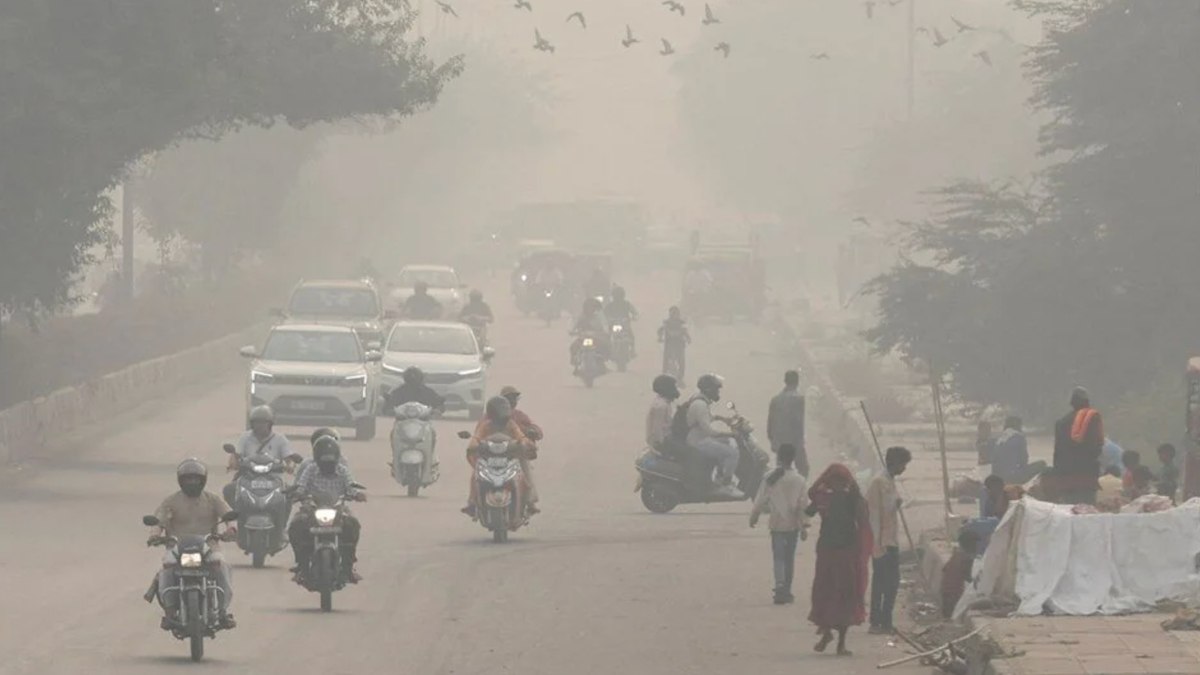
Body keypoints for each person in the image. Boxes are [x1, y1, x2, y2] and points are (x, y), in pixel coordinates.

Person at [149, 459, 236, 628]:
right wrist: (155, 536)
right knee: (166, 567)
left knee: (222, 566)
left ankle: (223, 611)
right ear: (181, 480)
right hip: (176, 547)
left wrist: (231, 530)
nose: (192, 483)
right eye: (188, 479)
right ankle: (169, 610)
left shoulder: (213, 499)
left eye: (195, 479)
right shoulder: (171, 501)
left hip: (208, 546)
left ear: (203, 480)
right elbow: (158, 522)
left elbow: (228, 515)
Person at [805, 463, 872, 656]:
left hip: (841, 553)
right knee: (834, 593)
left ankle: (837, 640)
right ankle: (831, 636)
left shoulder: (831, 499)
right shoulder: (853, 499)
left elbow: (811, 500)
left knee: (837, 594)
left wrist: (820, 484)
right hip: (837, 552)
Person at [288, 436, 363, 583]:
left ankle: (348, 566)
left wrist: (357, 494)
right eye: (324, 461)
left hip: (338, 509)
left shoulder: (342, 470)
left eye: (330, 461)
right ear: (317, 459)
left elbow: (350, 485)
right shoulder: (310, 469)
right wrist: (297, 493)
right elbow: (302, 485)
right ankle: (301, 565)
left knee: (353, 524)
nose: (327, 465)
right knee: (296, 525)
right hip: (312, 508)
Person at [750, 444, 810, 605]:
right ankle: (787, 590)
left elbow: (760, 499)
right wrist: (804, 526)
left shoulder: (771, 477)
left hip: (776, 524)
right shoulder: (799, 479)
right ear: (793, 459)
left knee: (778, 557)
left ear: (779, 457)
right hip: (793, 525)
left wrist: (754, 516)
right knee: (789, 557)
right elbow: (803, 505)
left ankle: (779, 586)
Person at [866, 445, 912, 634]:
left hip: (891, 540)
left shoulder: (889, 481)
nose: (904, 469)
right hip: (883, 542)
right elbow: (874, 515)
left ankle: (884, 620)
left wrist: (897, 504)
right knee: (885, 583)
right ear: (894, 462)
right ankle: (879, 622)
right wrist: (876, 544)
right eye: (903, 464)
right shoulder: (878, 482)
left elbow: (890, 507)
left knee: (889, 583)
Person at [463, 396, 533, 516]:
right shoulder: (486, 425)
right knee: (476, 477)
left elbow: (520, 436)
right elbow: (476, 437)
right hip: (488, 458)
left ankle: (526, 503)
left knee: (524, 481)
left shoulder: (511, 424)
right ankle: (472, 502)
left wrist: (525, 442)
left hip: (508, 458)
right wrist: (473, 445)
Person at [682, 374, 743, 498]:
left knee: (725, 442)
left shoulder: (700, 400)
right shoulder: (700, 404)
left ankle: (719, 477)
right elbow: (709, 431)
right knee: (732, 453)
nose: (718, 392)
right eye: (716, 389)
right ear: (708, 390)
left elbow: (706, 418)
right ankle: (726, 484)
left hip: (699, 438)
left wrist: (723, 419)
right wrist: (731, 434)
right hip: (698, 442)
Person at [224, 405, 298, 506]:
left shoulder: (280, 439)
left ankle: (282, 520)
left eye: (263, 422)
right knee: (229, 490)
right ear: (252, 424)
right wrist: (233, 463)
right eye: (256, 422)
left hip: (273, 479)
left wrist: (290, 466)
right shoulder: (245, 437)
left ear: (270, 424)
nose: (259, 425)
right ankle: (240, 513)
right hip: (248, 478)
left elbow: (289, 458)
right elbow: (236, 454)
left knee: (289, 495)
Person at [1053, 387, 1104, 505]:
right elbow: (1096, 447)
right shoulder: (1092, 418)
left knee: (1068, 511)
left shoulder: (1061, 422)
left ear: (1072, 403)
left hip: (1065, 478)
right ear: (1087, 402)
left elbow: (1057, 453)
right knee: (1086, 514)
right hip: (1086, 476)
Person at [501, 385, 542, 511]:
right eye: (508, 398)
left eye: (514, 398)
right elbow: (480, 431)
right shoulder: (491, 415)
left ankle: (529, 501)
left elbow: (535, 429)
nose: (512, 401)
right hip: (496, 453)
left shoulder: (520, 416)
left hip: (516, 453)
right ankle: (473, 501)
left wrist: (533, 431)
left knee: (525, 469)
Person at [767, 370, 808, 477]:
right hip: (793, 440)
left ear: (785, 381)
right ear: (797, 382)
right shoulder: (798, 399)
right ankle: (799, 491)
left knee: (781, 470)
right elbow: (799, 422)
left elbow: (770, 422)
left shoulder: (775, 399)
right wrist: (801, 441)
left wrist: (772, 440)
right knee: (803, 468)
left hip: (779, 441)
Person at [940, 529, 981, 619]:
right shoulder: (966, 560)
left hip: (946, 598)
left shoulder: (955, 556)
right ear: (972, 546)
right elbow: (971, 582)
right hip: (955, 600)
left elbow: (944, 571)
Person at [570, 297, 610, 369]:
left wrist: (605, 331)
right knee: (573, 346)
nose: (590, 309)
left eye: (592, 307)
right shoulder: (581, 316)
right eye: (588, 307)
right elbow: (575, 325)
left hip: (596, 337)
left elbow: (604, 324)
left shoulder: (598, 316)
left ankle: (602, 360)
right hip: (583, 337)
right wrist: (572, 331)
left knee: (605, 346)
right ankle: (574, 360)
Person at [646, 375, 681, 453]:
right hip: (662, 441)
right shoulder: (661, 406)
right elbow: (657, 428)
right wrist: (661, 445)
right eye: (673, 387)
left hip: (665, 438)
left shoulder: (663, 402)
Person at [990, 416, 1029, 484]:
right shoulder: (1019, 437)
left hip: (996, 476)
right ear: (1018, 425)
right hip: (1011, 476)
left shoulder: (1000, 438)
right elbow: (1024, 460)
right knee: (1041, 464)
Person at [657, 306, 691, 379]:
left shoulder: (681, 323)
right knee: (666, 359)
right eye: (673, 313)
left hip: (679, 344)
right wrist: (660, 337)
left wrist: (688, 338)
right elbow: (660, 330)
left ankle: (681, 376)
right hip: (669, 344)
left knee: (681, 360)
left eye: (676, 313)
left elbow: (685, 331)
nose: (674, 315)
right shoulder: (666, 322)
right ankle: (664, 375)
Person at [604, 285, 639, 352]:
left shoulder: (627, 304)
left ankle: (632, 350)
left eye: (619, 295)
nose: (618, 297)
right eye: (616, 296)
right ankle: (606, 351)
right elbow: (604, 314)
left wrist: (634, 316)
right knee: (607, 338)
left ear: (623, 296)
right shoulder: (610, 306)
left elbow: (634, 312)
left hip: (625, 325)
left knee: (631, 336)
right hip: (612, 325)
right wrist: (606, 320)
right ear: (613, 296)